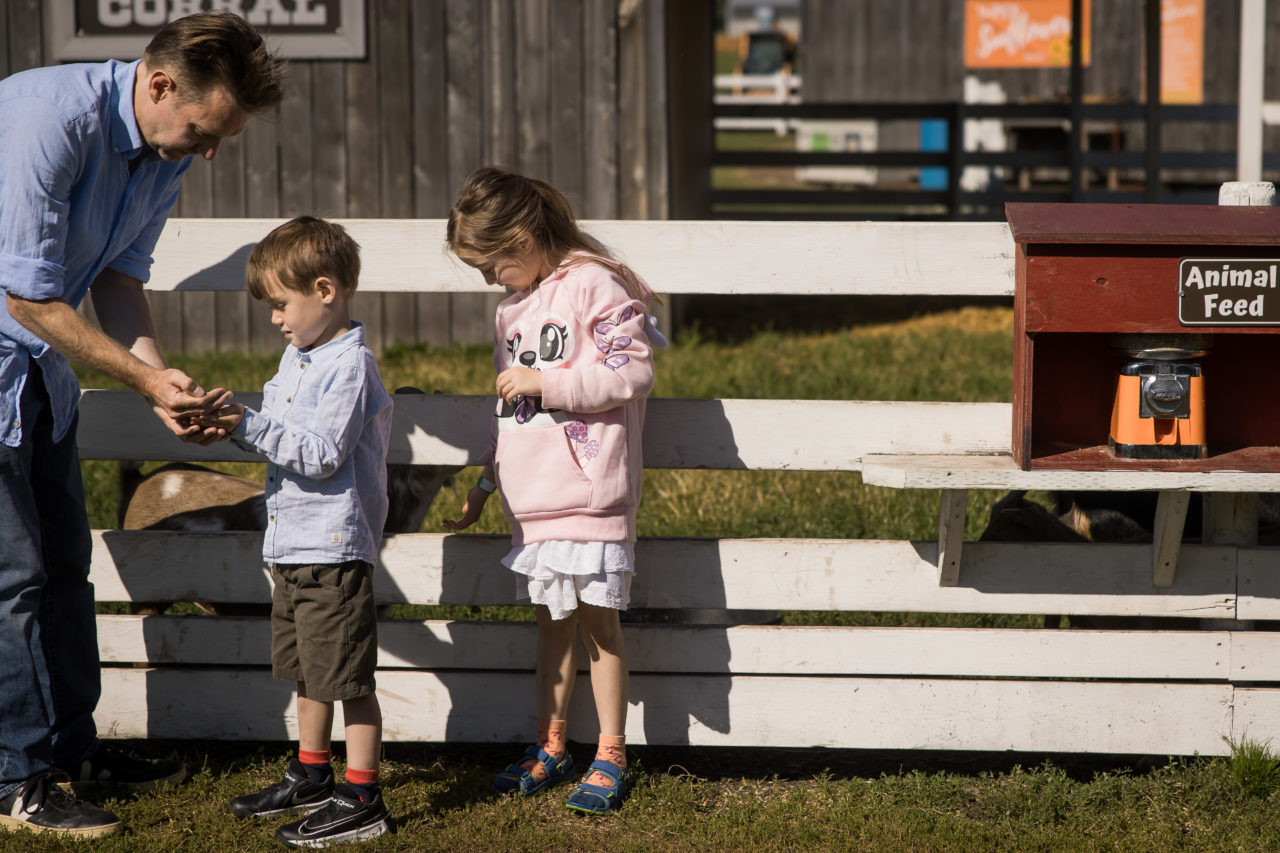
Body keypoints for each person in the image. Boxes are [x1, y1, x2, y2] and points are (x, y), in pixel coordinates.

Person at [0, 11, 284, 839]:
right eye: (204, 130)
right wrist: (140, 374)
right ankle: (19, 777)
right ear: (160, 86)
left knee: (63, 565)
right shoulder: (47, 119)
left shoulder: (164, 151)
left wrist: (160, 381)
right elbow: (28, 294)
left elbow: (119, 283)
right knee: (11, 579)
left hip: (37, 373)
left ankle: (72, 748)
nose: (209, 152)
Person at [443, 166, 665, 815]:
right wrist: (487, 480)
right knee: (551, 626)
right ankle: (552, 743)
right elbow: (508, 408)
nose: (489, 280)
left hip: (590, 494)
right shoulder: (511, 311)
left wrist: (551, 385)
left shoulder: (596, 284)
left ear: (523, 236)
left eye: (491, 264)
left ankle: (612, 752)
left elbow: (632, 371)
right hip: (534, 502)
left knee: (600, 626)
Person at [196, 217, 394, 848]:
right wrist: (231, 419)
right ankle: (312, 774)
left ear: (326, 289)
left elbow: (321, 453)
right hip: (292, 546)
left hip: (333, 549)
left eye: (282, 304)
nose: (276, 318)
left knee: (348, 679)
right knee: (311, 672)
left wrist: (247, 423)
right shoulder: (298, 358)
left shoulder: (351, 366)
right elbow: (280, 434)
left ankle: (364, 798)